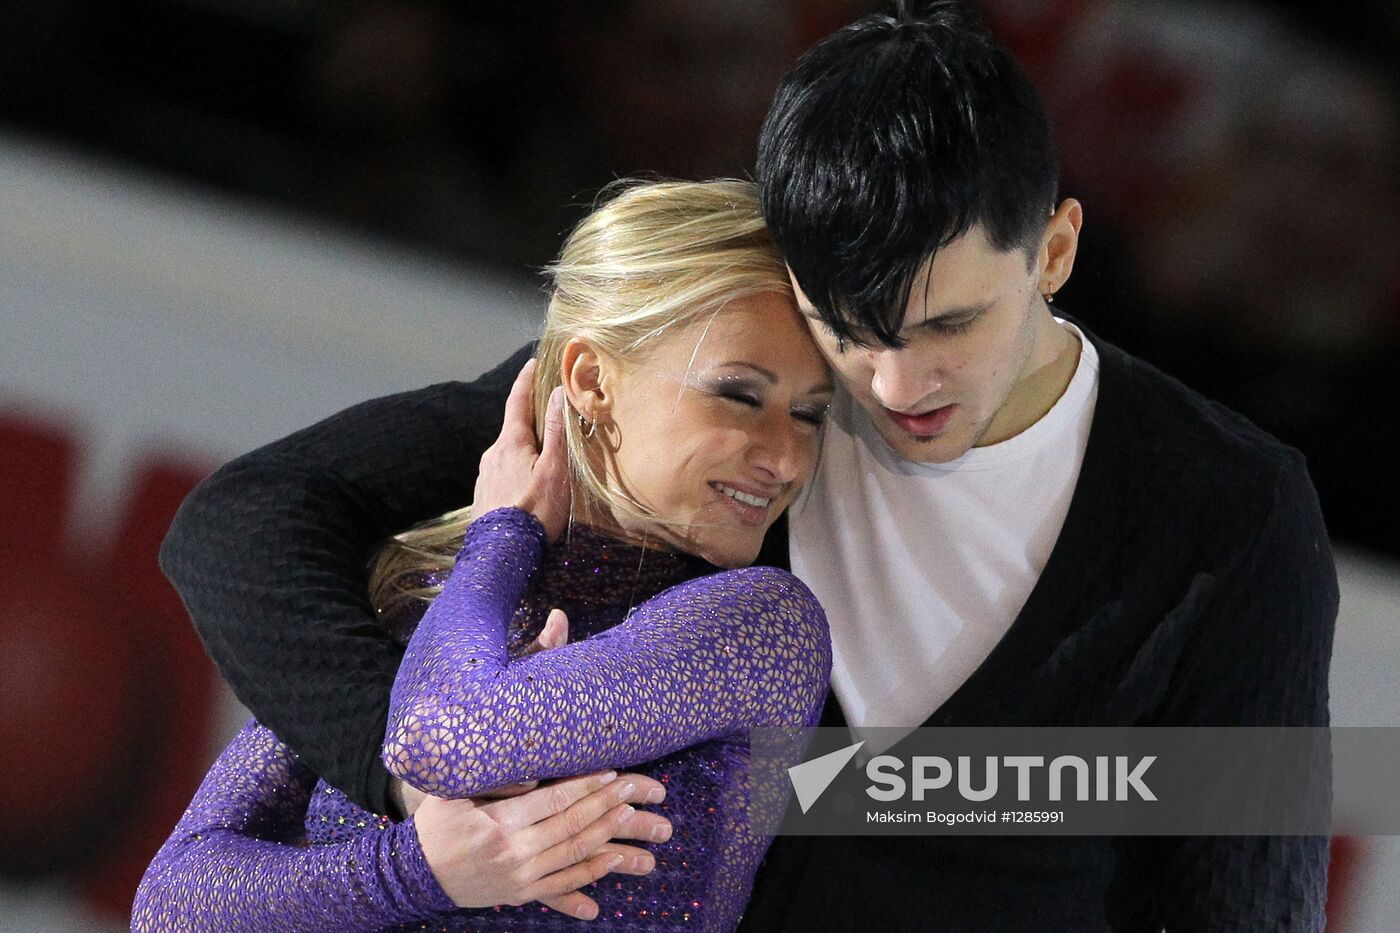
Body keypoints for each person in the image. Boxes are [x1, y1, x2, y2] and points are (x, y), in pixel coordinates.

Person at [158, 2, 1338, 930]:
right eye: (847, 327)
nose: (889, 386)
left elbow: (1232, 891)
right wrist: (417, 801)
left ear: (1055, 251)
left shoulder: (1231, 513)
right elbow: (245, 522)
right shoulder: (723, 362)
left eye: (945, 326)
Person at [134, 179, 835, 931]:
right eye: (739, 394)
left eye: (810, 413)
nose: (786, 457)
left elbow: (441, 738)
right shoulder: (416, 586)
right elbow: (170, 905)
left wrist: (501, 538)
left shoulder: (762, 625)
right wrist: (412, 872)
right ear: (592, 381)